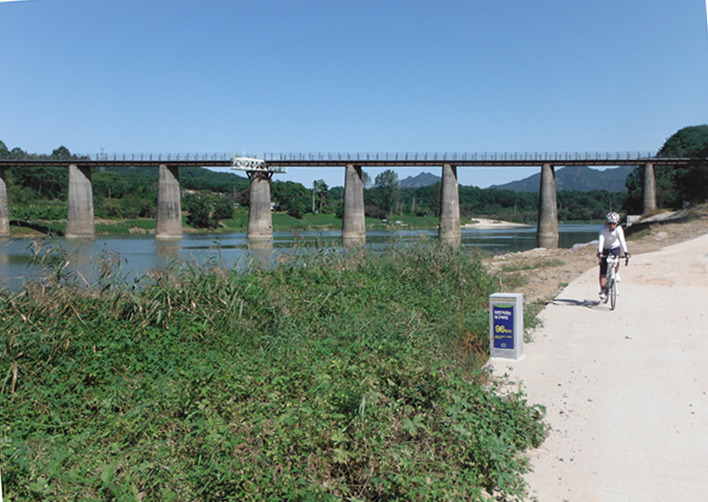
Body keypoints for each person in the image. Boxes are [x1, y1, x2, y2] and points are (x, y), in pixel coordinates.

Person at [597, 212, 630, 301]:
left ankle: (616, 273)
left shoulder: (619, 229)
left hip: (615, 247)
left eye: (614, 224)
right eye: (609, 223)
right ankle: (603, 290)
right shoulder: (603, 230)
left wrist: (626, 252)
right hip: (605, 248)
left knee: (616, 259)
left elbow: (622, 240)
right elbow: (601, 240)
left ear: (617, 223)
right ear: (606, 223)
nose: (611, 226)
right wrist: (600, 252)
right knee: (603, 271)